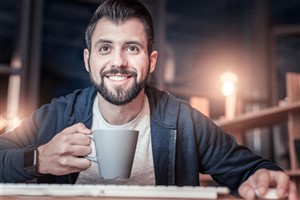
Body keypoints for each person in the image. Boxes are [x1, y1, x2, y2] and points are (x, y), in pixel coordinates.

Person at [0, 0, 298, 199]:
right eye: (105, 48)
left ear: (151, 61)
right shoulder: (57, 116)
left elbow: (248, 169)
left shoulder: (183, 120)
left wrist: (266, 177)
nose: (118, 62)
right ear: (88, 60)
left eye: (132, 48)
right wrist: (39, 159)